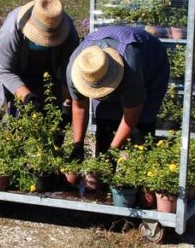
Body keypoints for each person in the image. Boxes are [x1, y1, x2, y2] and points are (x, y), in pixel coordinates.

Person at [66, 25, 169, 158]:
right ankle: (102, 175)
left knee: (141, 131)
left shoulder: (130, 67)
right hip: (111, 60)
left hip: (151, 65)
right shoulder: (77, 69)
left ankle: (140, 172)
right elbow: (80, 107)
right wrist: (78, 145)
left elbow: (132, 113)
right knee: (105, 128)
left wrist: (111, 152)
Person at [0, 0, 79, 114]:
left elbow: (69, 70)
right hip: (13, 73)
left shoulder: (68, 29)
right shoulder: (12, 28)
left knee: (52, 113)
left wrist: (67, 102)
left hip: (49, 73)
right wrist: (28, 97)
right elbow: (5, 71)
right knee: (14, 115)